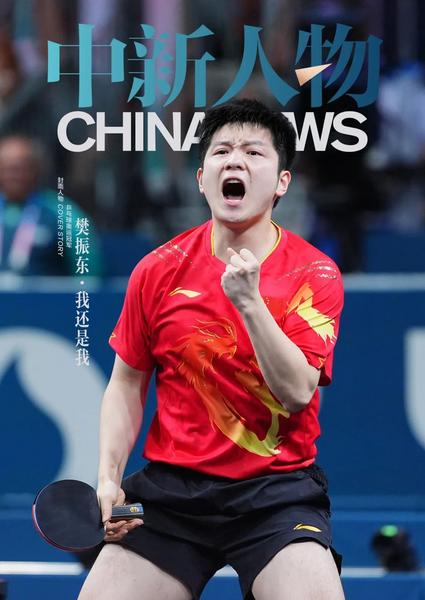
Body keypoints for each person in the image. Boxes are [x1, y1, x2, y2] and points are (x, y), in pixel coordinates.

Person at [78, 99, 345, 600]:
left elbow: (296, 393)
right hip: (173, 494)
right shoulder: (157, 269)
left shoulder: (315, 273)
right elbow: (126, 383)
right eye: (221, 151)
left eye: (253, 152)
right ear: (202, 179)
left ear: (282, 182)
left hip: (276, 492)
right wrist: (109, 478)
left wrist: (249, 303)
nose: (235, 160)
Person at [0, 135, 102, 276]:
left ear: (35, 170)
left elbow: (89, 273)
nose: (14, 176)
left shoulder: (61, 212)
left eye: (20, 168)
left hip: (45, 290)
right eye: (8, 168)